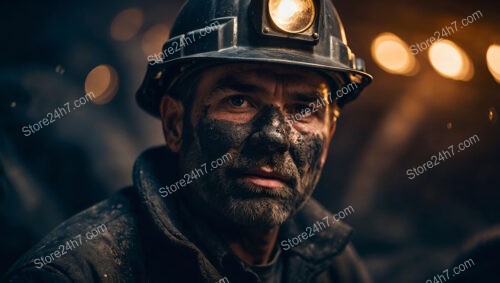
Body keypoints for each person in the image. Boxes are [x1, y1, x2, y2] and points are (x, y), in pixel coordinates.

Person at [3, 0, 373, 282]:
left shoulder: (332, 263)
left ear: (329, 135)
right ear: (175, 123)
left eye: (304, 108)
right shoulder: (76, 272)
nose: (275, 136)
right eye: (239, 101)